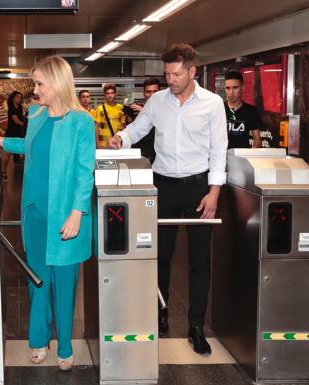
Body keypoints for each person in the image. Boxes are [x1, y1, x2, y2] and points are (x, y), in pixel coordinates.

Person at [107, 43, 227, 355]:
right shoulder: (158, 101)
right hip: (163, 186)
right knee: (159, 255)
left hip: (199, 187)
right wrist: (121, 138)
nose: (170, 79)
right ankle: (159, 314)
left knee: (200, 261)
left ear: (192, 71)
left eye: (176, 74)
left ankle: (196, 326)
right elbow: (138, 128)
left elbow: (219, 150)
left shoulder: (213, 104)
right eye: (167, 74)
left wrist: (214, 192)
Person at [0, 55, 95, 370]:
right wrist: (0, 139)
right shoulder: (38, 115)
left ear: (57, 83)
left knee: (65, 278)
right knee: (37, 278)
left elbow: (86, 172)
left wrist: (77, 213)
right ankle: (38, 339)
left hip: (65, 214)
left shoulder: (81, 121)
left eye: (40, 83)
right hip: (34, 212)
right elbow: (29, 146)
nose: (35, 89)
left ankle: (66, 343)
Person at [224, 70, 262, 148]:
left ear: (242, 88)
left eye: (235, 88)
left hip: (242, 157)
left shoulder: (251, 111)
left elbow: (257, 140)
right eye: (228, 88)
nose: (231, 92)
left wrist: (250, 154)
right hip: (222, 158)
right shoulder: (218, 109)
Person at [130, 78, 161, 162]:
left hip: (160, 158)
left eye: (155, 91)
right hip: (141, 156)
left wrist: (143, 111)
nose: (152, 95)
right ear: (144, 93)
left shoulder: (167, 109)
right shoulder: (135, 110)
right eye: (148, 92)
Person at [2, 91, 27, 180]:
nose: (19, 99)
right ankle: (3, 173)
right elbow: (17, 121)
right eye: (17, 97)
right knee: (7, 154)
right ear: (13, 98)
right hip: (11, 133)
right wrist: (27, 125)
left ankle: (20, 171)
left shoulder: (20, 107)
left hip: (19, 132)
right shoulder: (11, 108)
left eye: (20, 97)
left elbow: (23, 119)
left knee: (22, 153)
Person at [95, 84, 127, 148]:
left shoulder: (121, 108)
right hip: (103, 144)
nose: (110, 95)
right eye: (108, 93)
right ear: (105, 95)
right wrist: (97, 142)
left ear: (115, 94)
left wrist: (124, 141)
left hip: (117, 143)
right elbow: (96, 127)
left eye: (112, 93)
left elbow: (124, 127)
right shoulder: (99, 108)